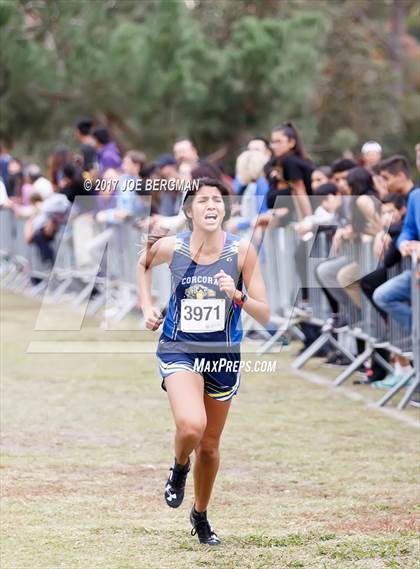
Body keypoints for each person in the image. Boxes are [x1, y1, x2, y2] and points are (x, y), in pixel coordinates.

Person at [137, 178, 269, 545]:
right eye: (202, 201)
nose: (211, 205)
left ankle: (200, 515)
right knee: (191, 427)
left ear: (224, 209)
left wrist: (237, 294)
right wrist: (147, 306)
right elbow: (143, 263)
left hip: (224, 357)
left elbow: (265, 312)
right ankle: (179, 466)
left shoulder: (242, 251)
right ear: (190, 211)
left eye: (217, 200)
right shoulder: (173, 247)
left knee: (209, 447)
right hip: (179, 348)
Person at [373, 188, 420, 332]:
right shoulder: (416, 196)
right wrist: (404, 242)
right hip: (417, 271)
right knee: (382, 296)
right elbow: (408, 229)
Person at [270, 121, 314, 219]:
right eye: (273, 142)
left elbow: (300, 191)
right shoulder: (292, 159)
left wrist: (308, 220)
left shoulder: (289, 161)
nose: (274, 146)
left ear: (291, 142)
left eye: (279, 141)